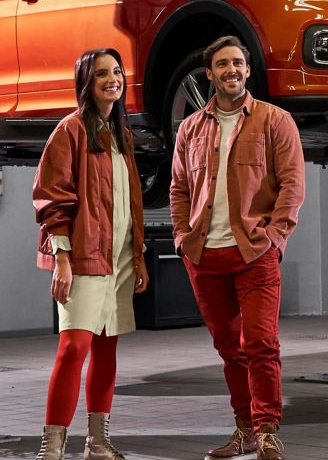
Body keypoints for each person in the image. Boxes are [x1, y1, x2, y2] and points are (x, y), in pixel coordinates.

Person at [170, 35, 305, 460]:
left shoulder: (274, 120)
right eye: (223, 64)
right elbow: (178, 189)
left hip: (254, 254)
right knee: (229, 349)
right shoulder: (190, 128)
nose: (232, 70)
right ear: (209, 74)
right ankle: (243, 430)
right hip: (205, 256)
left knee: (261, 343)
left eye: (238, 64)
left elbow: (292, 186)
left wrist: (274, 237)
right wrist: (181, 237)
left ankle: (267, 432)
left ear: (248, 71)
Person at [32, 49, 149, 460]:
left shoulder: (120, 134)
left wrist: (138, 258)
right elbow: (51, 199)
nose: (112, 79)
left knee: (106, 349)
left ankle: (97, 443)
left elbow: (128, 203)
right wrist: (61, 258)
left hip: (118, 260)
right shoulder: (70, 130)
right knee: (73, 348)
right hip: (82, 258)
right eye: (102, 73)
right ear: (87, 80)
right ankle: (52, 447)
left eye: (117, 72)